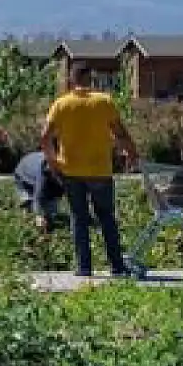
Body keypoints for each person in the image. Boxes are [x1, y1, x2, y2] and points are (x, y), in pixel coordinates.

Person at [43, 65, 141, 278]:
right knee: (106, 217)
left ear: (71, 79)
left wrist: (54, 161)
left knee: (79, 218)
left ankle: (84, 267)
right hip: (100, 170)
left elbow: (45, 137)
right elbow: (121, 133)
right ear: (91, 79)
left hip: (71, 170)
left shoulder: (61, 104)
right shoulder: (103, 102)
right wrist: (132, 154)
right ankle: (117, 266)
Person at [13, 149, 65, 232]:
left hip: (41, 171)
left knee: (51, 211)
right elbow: (38, 197)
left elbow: (60, 193)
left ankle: (46, 219)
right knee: (29, 201)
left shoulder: (64, 169)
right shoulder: (43, 172)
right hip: (23, 177)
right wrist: (39, 215)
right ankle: (26, 220)